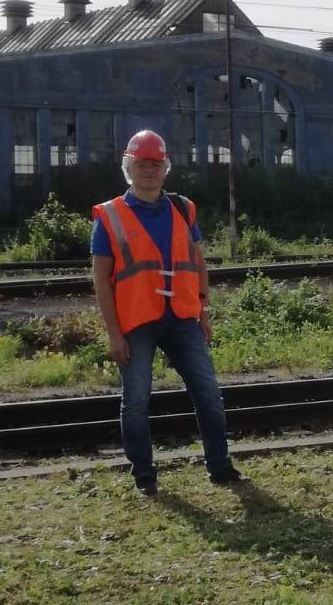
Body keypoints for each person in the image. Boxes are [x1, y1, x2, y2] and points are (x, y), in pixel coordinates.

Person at [91, 130, 244, 497]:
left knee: (208, 392)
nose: (149, 171)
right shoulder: (109, 216)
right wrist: (113, 334)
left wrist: (202, 310)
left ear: (165, 169)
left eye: (155, 164)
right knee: (137, 400)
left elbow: (196, 261)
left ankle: (220, 469)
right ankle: (145, 476)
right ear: (129, 168)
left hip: (181, 317)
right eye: (141, 164)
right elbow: (100, 279)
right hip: (136, 322)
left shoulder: (182, 208)